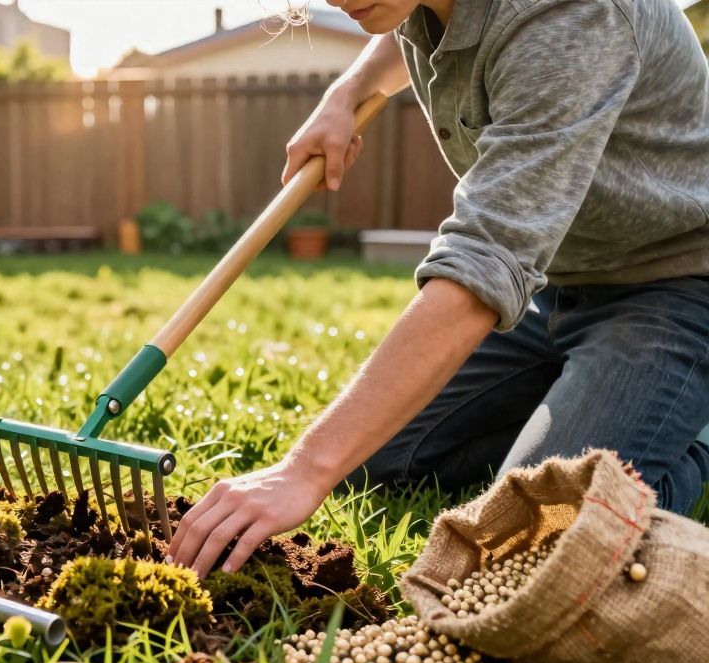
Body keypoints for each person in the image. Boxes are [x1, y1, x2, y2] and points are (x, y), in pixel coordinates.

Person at [167, 0, 709, 578]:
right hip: (555, 283)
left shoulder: (574, 15)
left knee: (532, 537)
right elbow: (410, 23)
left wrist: (304, 471)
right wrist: (347, 91)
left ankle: (694, 434)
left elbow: (485, 260)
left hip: (675, 286)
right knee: (370, 459)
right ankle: (576, 399)